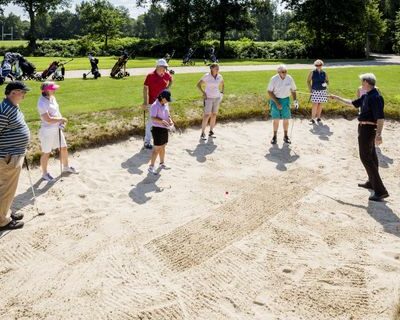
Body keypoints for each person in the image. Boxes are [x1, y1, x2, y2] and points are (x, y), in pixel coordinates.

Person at [330, 73, 389, 202]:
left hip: (368, 129)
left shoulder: (375, 97)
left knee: (365, 157)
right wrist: (337, 98)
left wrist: (379, 134)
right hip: (363, 128)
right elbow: (352, 103)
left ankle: (380, 191)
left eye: (363, 82)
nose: (361, 84)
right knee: (371, 155)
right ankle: (371, 182)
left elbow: (380, 117)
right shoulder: (367, 95)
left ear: (367, 82)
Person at [0, 81, 31, 231]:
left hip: (13, 154)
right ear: (13, 93)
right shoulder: (4, 110)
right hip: (7, 157)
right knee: (6, 189)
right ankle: (2, 221)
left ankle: (6, 212)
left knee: (8, 188)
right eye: (22, 92)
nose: (24, 96)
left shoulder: (12, 106)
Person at [37, 82, 77, 181]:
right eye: (52, 89)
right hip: (47, 131)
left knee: (63, 148)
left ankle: (66, 167)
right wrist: (61, 119)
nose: (55, 90)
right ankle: (45, 174)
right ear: (46, 90)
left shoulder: (52, 98)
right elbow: (48, 119)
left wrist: (61, 122)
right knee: (46, 152)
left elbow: (57, 113)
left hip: (56, 129)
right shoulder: (41, 103)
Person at [142, 59, 173, 149]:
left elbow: (171, 80)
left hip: (164, 102)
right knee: (151, 122)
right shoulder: (150, 76)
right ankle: (147, 142)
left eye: (166, 67)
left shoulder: (166, 74)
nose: (166, 69)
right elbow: (145, 89)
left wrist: (167, 88)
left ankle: (162, 137)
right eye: (164, 67)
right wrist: (145, 101)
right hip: (153, 103)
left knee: (165, 118)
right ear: (158, 67)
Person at [267, 64, 298, 145]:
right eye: (282, 72)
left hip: (285, 100)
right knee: (276, 119)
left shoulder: (289, 78)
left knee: (286, 119)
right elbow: (269, 92)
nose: (284, 73)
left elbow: (294, 90)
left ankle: (285, 136)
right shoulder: (274, 79)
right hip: (275, 99)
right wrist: (277, 103)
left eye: (285, 71)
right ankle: (274, 137)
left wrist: (295, 101)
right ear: (278, 72)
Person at [148, 90, 174, 175]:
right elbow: (153, 118)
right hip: (157, 129)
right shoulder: (154, 106)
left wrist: (170, 121)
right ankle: (151, 167)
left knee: (163, 147)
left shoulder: (166, 104)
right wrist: (162, 121)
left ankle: (162, 163)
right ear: (162, 97)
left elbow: (168, 115)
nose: (167, 101)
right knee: (156, 149)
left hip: (164, 128)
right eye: (166, 99)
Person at [196, 63, 224, 140]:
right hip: (208, 98)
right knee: (207, 115)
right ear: (212, 68)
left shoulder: (220, 76)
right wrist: (203, 93)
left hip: (217, 98)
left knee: (214, 114)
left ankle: (211, 131)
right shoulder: (206, 76)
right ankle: (202, 133)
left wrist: (222, 92)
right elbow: (198, 85)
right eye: (216, 68)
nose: (218, 70)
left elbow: (222, 84)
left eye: (218, 68)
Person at [307, 59, 329, 124]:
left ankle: (318, 118)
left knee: (320, 104)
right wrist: (310, 89)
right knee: (315, 104)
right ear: (315, 65)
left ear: (322, 65)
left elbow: (327, 81)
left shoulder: (324, 72)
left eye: (320, 65)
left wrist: (325, 84)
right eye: (317, 65)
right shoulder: (312, 72)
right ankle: (312, 119)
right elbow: (308, 81)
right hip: (315, 90)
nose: (318, 66)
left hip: (322, 91)